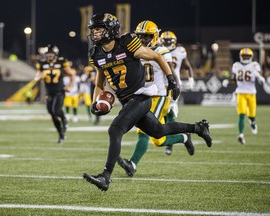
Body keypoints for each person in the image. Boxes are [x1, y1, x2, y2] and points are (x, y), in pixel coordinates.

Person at [82, 13, 212, 191]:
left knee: (115, 130)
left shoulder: (127, 43)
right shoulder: (95, 54)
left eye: (99, 29)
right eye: (93, 30)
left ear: (111, 30)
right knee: (159, 131)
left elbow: (157, 57)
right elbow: (99, 83)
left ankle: (105, 176)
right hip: (127, 100)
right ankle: (198, 128)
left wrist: (172, 81)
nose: (95, 34)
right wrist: (96, 103)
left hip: (142, 96)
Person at [117, 20, 195, 178]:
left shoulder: (163, 51)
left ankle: (132, 164)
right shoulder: (134, 51)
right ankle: (184, 137)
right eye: (141, 36)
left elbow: (170, 73)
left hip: (159, 96)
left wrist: (173, 98)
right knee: (158, 140)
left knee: (143, 132)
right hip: (142, 95)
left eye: (147, 36)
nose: (144, 39)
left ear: (155, 35)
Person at [160, 31, 195, 155]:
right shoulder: (158, 49)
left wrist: (190, 78)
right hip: (159, 85)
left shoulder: (180, 51)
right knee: (161, 117)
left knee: (170, 115)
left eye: (169, 41)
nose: (167, 43)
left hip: (172, 84)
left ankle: (169, 145)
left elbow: (187, 66)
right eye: (165, 41)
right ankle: (175, 139)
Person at [222, 48, 265, 144]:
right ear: (241, 56)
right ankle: (241, 134)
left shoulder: (255, 65)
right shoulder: (236, 65)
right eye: (244, 56)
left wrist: (260, 78)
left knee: (251, 115)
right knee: (241, 115)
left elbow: (260, 76)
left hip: (251, 93)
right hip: (240, 93)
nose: (245, 58)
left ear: (251, 57)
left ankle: (253, 123)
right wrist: (228, 82)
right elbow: (234, 79)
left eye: (247, 56)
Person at [34, 44, 75, 143]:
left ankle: (64, 119)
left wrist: (69, 86)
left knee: (56, 110)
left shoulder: (61, 62)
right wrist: (40, 77)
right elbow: (36, 79)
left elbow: (72, 74)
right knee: (52, 113)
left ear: (55, 54)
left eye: (51, 53)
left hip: (60, 91)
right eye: (48, 53)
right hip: (49, 92)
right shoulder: (42, 64)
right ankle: (61, 134)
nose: (49, 55)